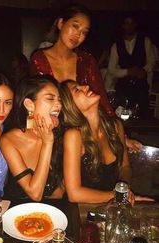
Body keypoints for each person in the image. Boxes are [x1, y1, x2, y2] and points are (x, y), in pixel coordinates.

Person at [30, 3, 142, 152]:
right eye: (75, 26)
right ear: (61, 23)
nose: (78, 35)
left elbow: (102, 100)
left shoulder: (87, 61)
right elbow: (37, 101)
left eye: (84, 32)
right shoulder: (39, 59)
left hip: (85, 132)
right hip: (53, 131)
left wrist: (122, 136)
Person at [61, 80, 152, 204]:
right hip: (80, 212)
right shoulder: (73, 136)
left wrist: (124, 189)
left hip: (111, 206)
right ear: (70, 105)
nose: (86, 86)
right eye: (77, 90)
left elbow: (125, 167)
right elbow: (74, 194)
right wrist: (118, 195)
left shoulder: (115, 126)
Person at [0, 75, 64, 201]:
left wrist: (60, 192)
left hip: (53, 213)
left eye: (60, 100)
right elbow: (35, 194)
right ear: (29, 105)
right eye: (50, 99)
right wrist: (47, 143)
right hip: (18, 214)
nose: (59, 105)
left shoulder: (60, 133)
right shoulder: (9, 140)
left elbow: (63, 183)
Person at [107, 13, 156, 117]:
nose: (129, 26)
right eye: (126, 23)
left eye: (131, 23)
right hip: (123, 85)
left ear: (135, 25)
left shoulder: (145, 41)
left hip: (141, 85)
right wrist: (127, 71)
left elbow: (152, 61)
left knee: (143, 115)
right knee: (122, 115)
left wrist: (143, 70)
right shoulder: (116, 45)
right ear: (122, 26)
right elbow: (111, 69)